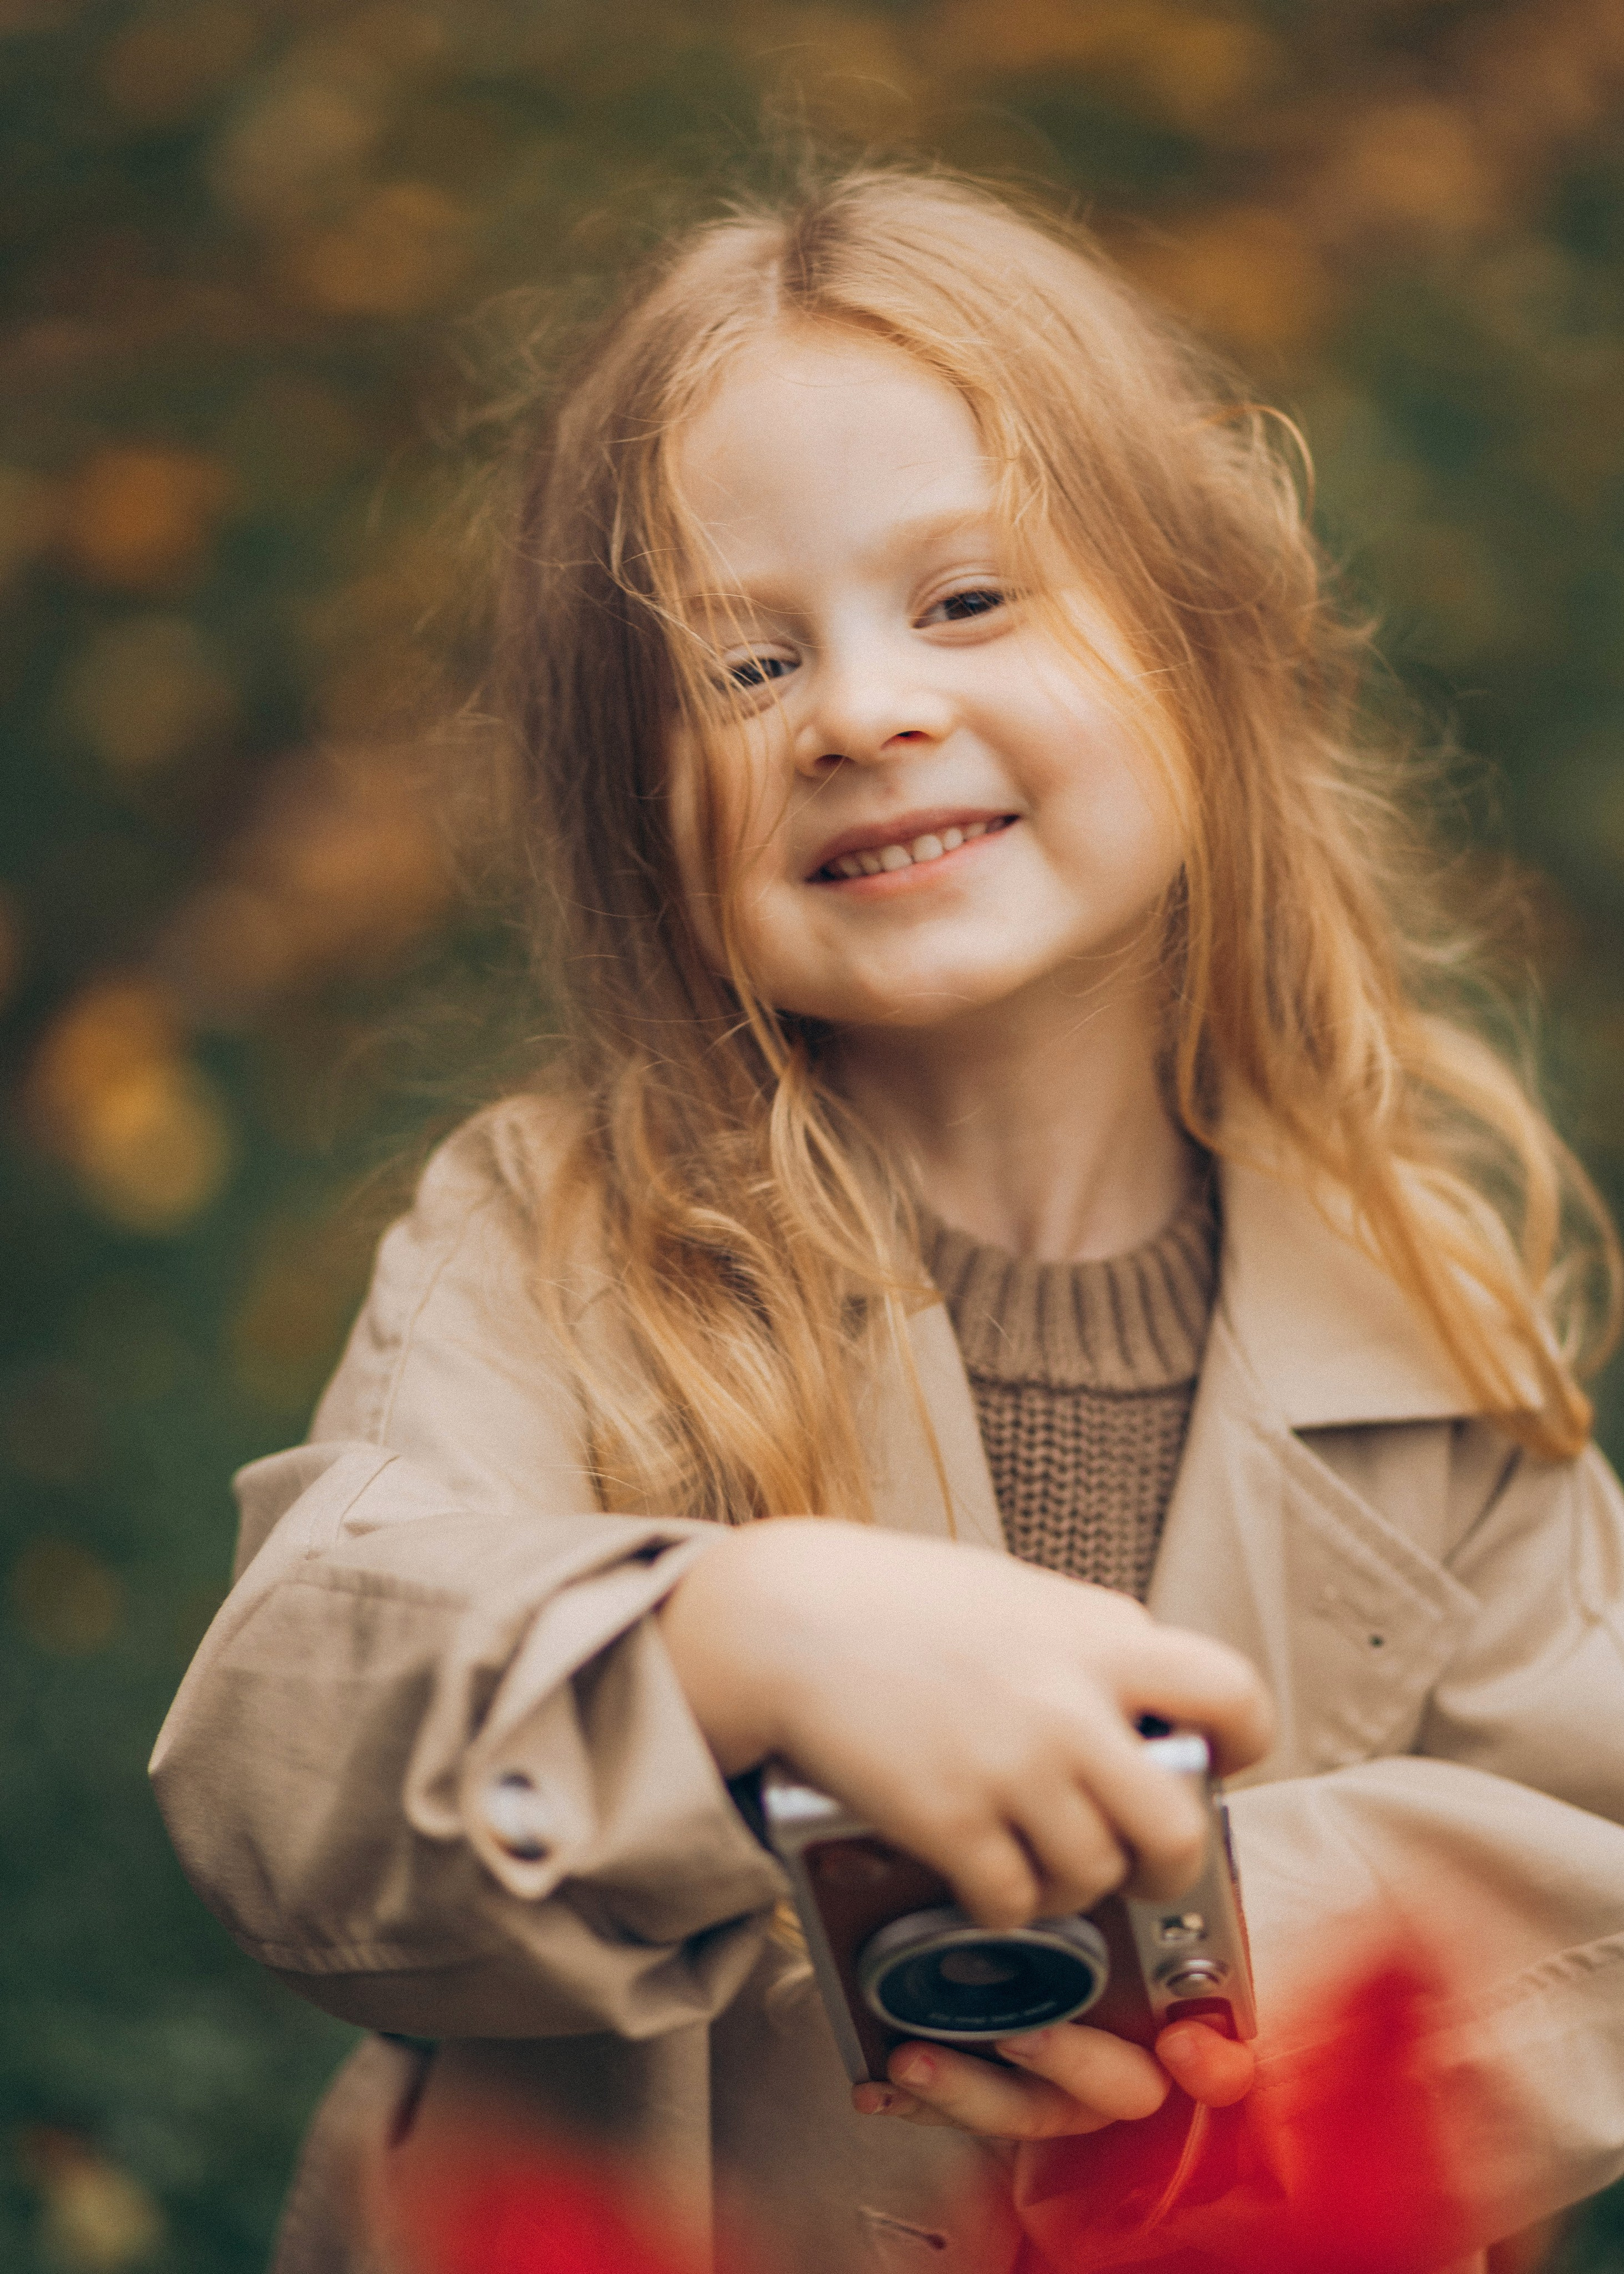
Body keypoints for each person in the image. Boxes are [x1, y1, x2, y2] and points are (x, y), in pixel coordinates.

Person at [150, 169, 1624, 2274]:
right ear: (637, 805)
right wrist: (725, 1645)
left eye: (966, 601)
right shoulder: (561, 1248)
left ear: (1201, 645)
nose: (860, 712)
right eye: (745, 664)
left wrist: (1232, 1942)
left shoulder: (1420, 1303)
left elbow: (1592, 1844)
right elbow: (290, 1756)